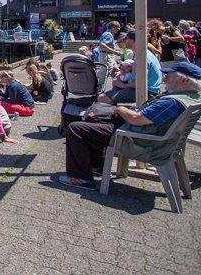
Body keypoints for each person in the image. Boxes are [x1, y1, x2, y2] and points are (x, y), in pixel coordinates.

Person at [59, 61, 201, 190]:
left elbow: (136, 119)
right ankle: (96, 165)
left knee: (76, 128)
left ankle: (81, 178)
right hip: (153, 138)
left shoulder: (172, 102)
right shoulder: (191, 98)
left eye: (169, 76)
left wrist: (120, 109)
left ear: (183, 79)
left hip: (139, 141)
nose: (164, 79)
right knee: (96, 119)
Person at [98, 31, 162, 105]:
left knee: (102, 98)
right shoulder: (141, 53)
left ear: (132, 40)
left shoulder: (143, 57)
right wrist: (122, 73)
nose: (123, 41)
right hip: (143, 89)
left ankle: (120, 114)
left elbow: (141, 83)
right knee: (112, 88)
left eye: (125, 38)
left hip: (147, 91)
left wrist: (123, 85)